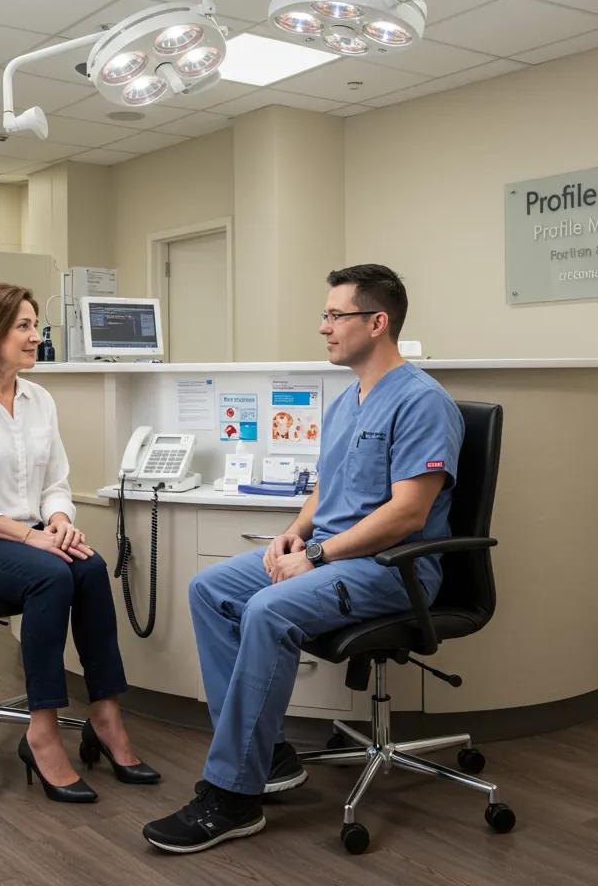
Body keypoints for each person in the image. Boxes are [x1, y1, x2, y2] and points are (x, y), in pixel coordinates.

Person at [143, 264, 463, 852]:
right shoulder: (347, 401)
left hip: (392, 570)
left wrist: (317, 555)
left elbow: (408, 515)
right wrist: (293, 533)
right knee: (210, 590)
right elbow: (326, 485)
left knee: (267, 610)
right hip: (330, 553)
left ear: (377, 321)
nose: (323, 327)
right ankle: (266, 757)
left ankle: (233, 796)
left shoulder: (422, 403)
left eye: (334, 315)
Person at [0, 282, 159, 804]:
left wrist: (59, 520)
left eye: (35, 326)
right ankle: (42, 730)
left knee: (90, 567)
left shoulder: (38, 399)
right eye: (24, 327)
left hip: (26, 535)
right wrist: (34, 537)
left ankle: (105, 715)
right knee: (51, 574)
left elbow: (56, 480)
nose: (35, 338)